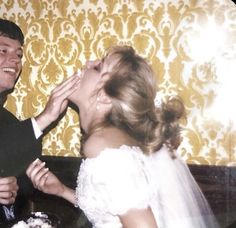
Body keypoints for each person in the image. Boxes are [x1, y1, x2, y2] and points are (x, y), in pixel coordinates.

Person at [26, 45, 219, 227]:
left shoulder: (100, 145)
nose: (87, 63)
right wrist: (62, 191)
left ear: (103, 95)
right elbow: (110, 207)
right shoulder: (116, 140)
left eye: (97, 67)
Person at [0, 18, 80, 223]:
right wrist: (47, 116)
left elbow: (22, 182)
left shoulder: (9, 122)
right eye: (3, 51)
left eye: (19, 55)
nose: (15, 60)